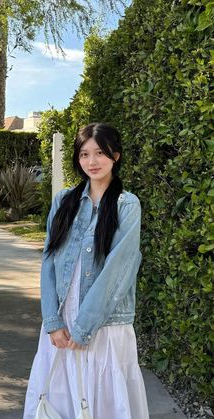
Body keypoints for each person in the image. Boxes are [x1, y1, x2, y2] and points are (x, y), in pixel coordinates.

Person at [23, 122, 149, 419]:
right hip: (61, 323)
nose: (92, 162)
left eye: (100, 153)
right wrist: (52, 321)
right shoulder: (63, 201)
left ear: (115, 156)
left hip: (104, 324)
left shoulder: (126, 205)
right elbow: (49, 261)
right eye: (84, 154)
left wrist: (84, 328)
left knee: (104, 398)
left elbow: (119, 270)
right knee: (60, 398)